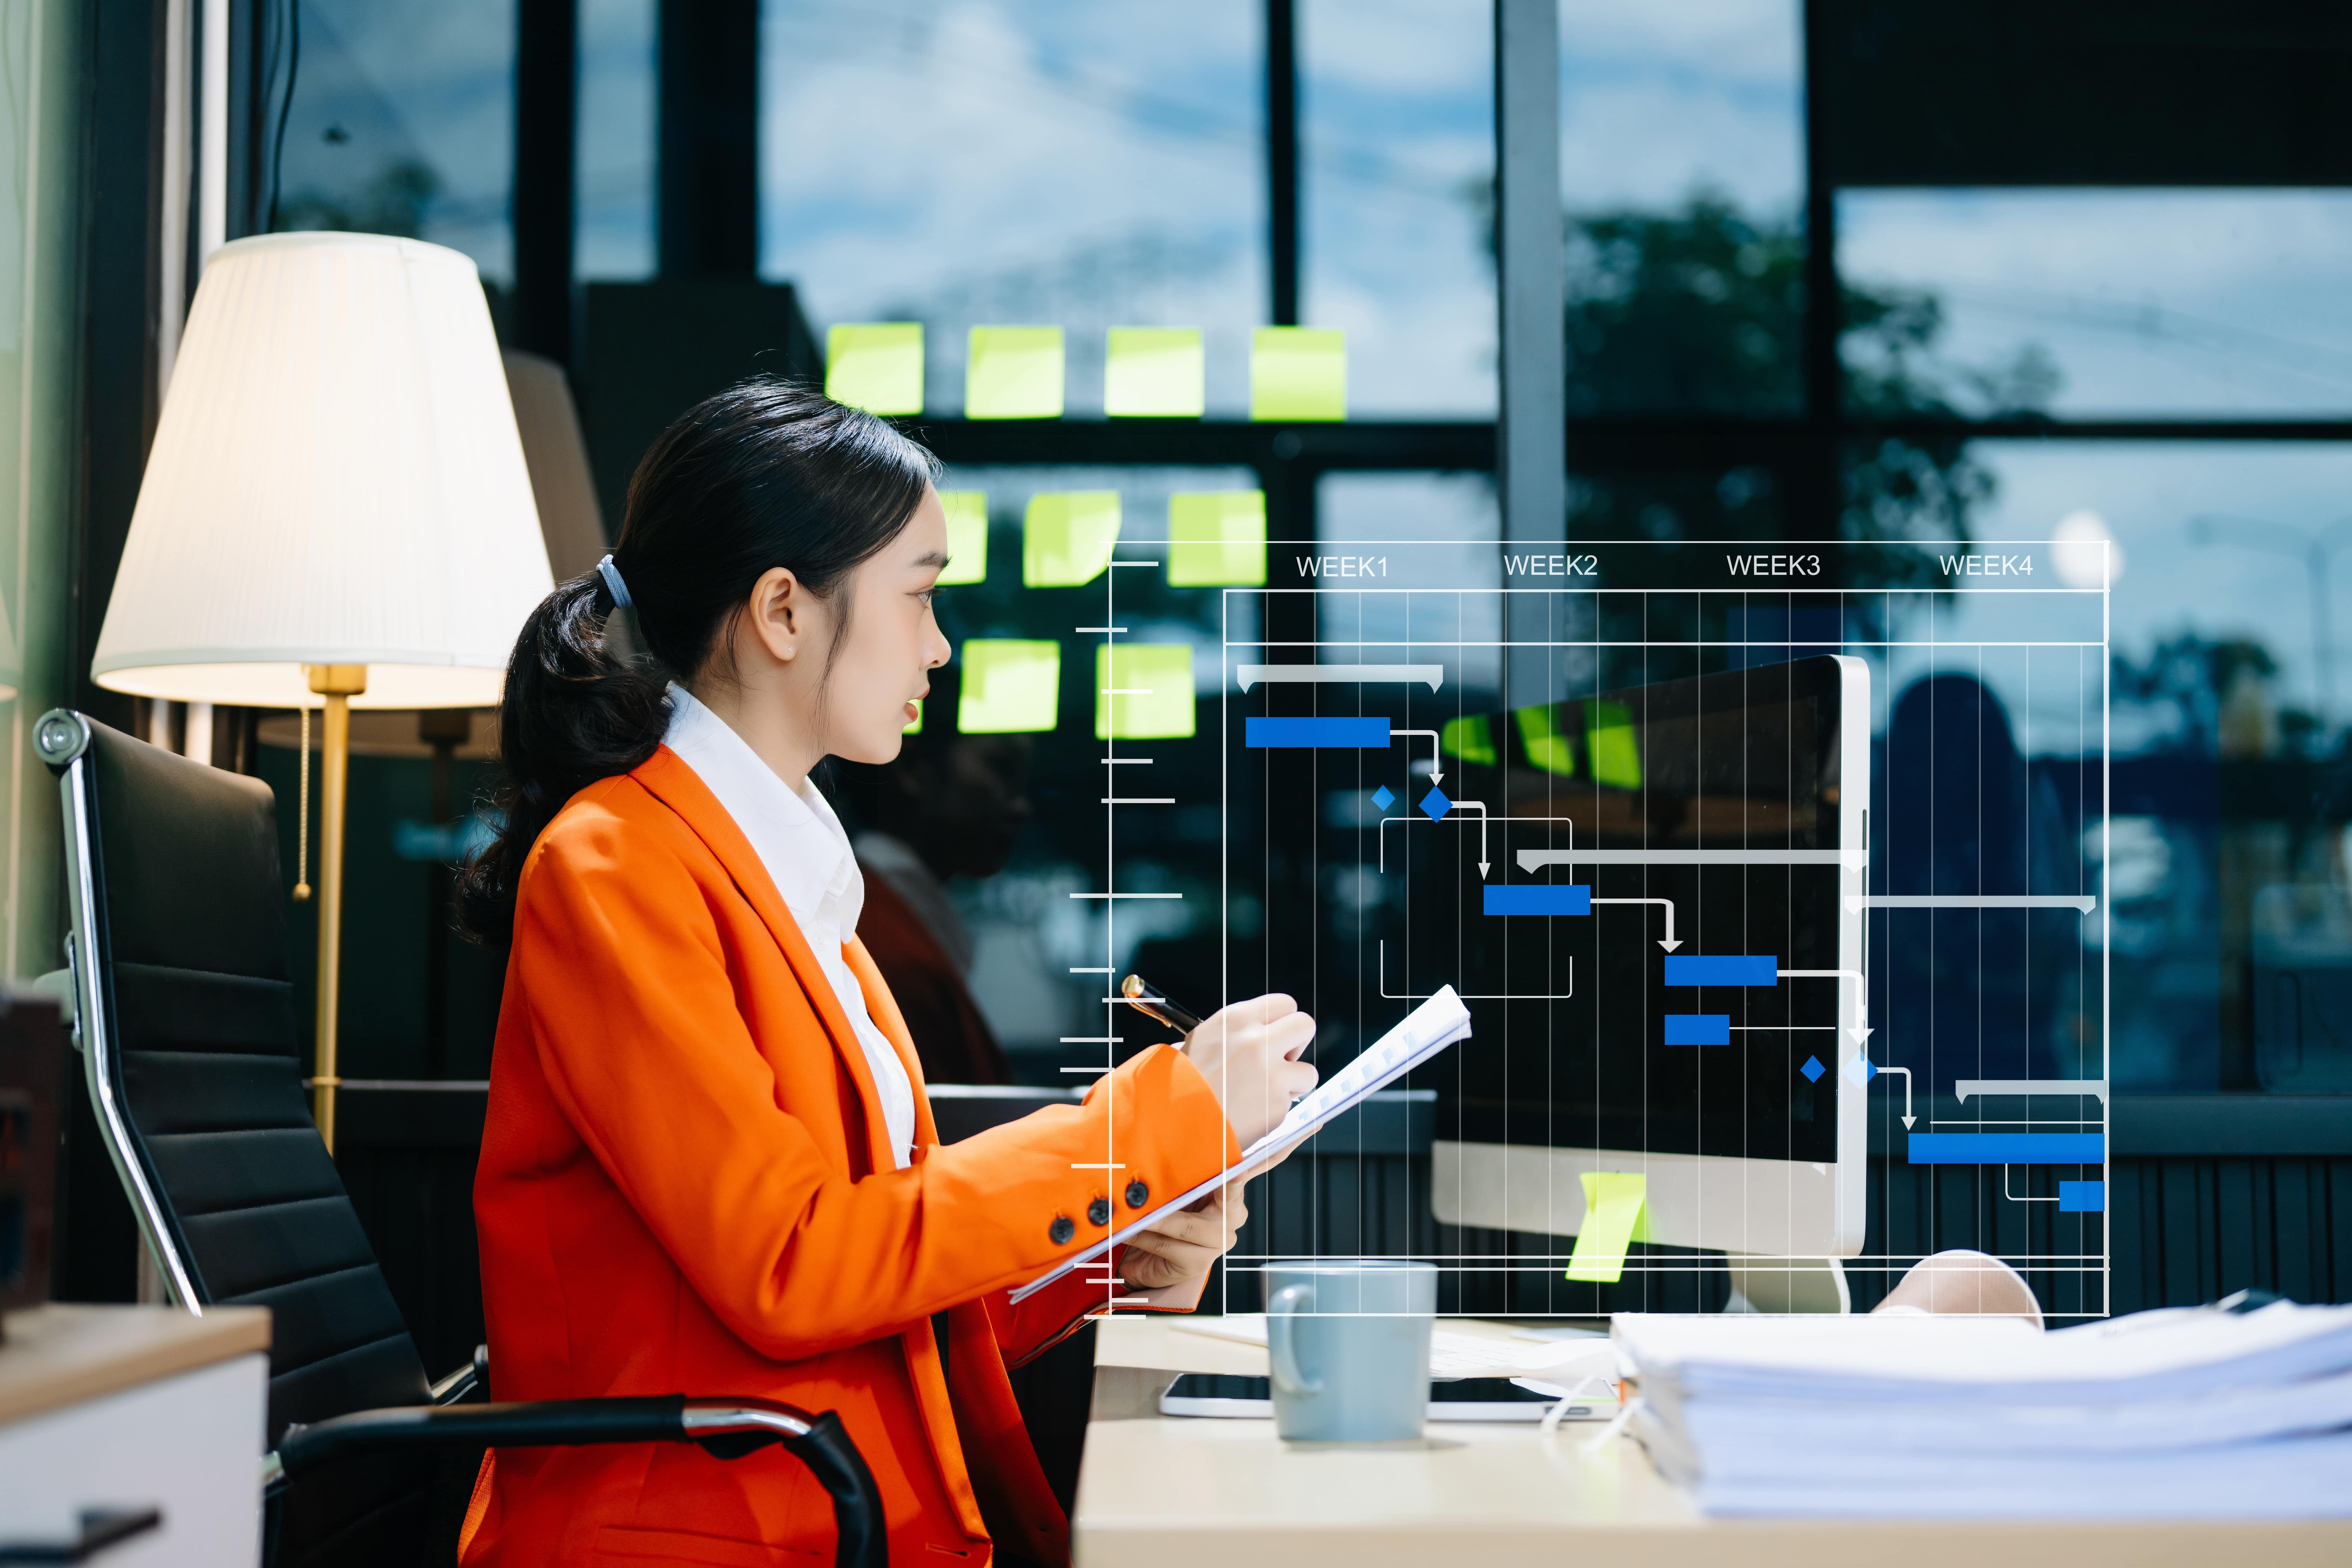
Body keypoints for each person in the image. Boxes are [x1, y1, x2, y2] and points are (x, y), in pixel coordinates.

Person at [456, 381, 1316, 1566]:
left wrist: (1106, 1254)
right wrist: (1139, 1136)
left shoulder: (792, 884)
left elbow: (868, 1282)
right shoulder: (617, 863)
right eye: (919, 595)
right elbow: (793, 1262)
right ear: (782, 612)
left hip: (830, 1508)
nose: (939, 645)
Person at [830, 664, 1026, 1085]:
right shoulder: (886, 947)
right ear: (914, 772)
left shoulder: (869, 915)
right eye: (1001, 770)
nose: (1021, 806)